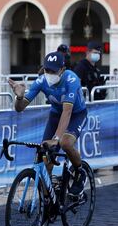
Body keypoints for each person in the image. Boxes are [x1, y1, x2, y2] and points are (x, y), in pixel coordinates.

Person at [9, 51, 87, 196]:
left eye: (53, 71)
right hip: (56, 115)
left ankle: (79, 172)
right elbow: (20, 109)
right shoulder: (41, 81)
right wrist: (19, 97)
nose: (49, 73)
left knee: (65, 143)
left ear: (62, 70)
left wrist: (56, 139)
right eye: (47, 70)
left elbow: (67, 112)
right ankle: (48, 199)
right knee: (45, 156)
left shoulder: (72, 79)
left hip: (76, 114)